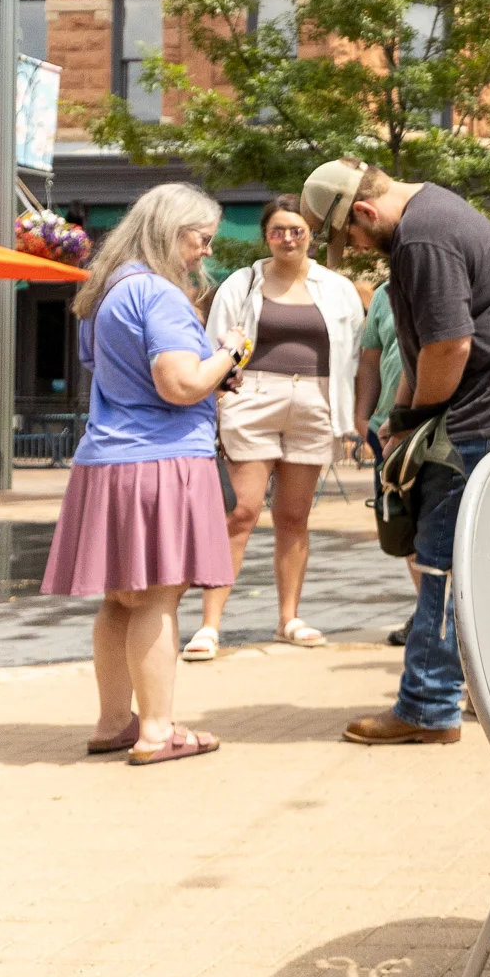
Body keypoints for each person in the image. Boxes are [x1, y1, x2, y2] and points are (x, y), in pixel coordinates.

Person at [299, 157, 490, 745]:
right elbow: (420, 346)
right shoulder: (428, 218)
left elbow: (449, 347)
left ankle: (427, 706)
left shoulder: (422, 237)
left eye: (350, 234)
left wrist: (415, 420)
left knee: (443, 558)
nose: (356, 247)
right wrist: (400, 421)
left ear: (366, 212)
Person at [41, 183, 244, 766]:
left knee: (119, 599)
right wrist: (228, 353)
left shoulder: (106, 292)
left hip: (106, 458)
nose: (205, 251)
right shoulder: (160, 294)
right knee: (158, 597)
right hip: (163, 459)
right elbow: (179, 385)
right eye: (201, 239)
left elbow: (110, 370)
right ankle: (158, 730)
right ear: (171, 231)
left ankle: (114, 722)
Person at [186, 196, 365, 659]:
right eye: (278, 230)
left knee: (294, 516)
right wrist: (216, 400)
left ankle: (289, 617)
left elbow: (356, 351)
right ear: (265, 235)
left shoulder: (337, 288)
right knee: (240, 513)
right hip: (254, 397)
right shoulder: (242, 284)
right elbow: (214, 348)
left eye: (298, 229)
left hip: (315, 400)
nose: (288, 238)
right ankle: (210, 624)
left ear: (312, 234)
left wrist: (354, 416)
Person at [355, 278, 421, 642]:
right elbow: (370, 358)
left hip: (434, 427)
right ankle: (427, 609)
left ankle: (445, 615)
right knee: (402, 528)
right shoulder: (384, 293)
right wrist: (362, 416)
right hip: (386, 431)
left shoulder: (447, 278)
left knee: (440, 528)